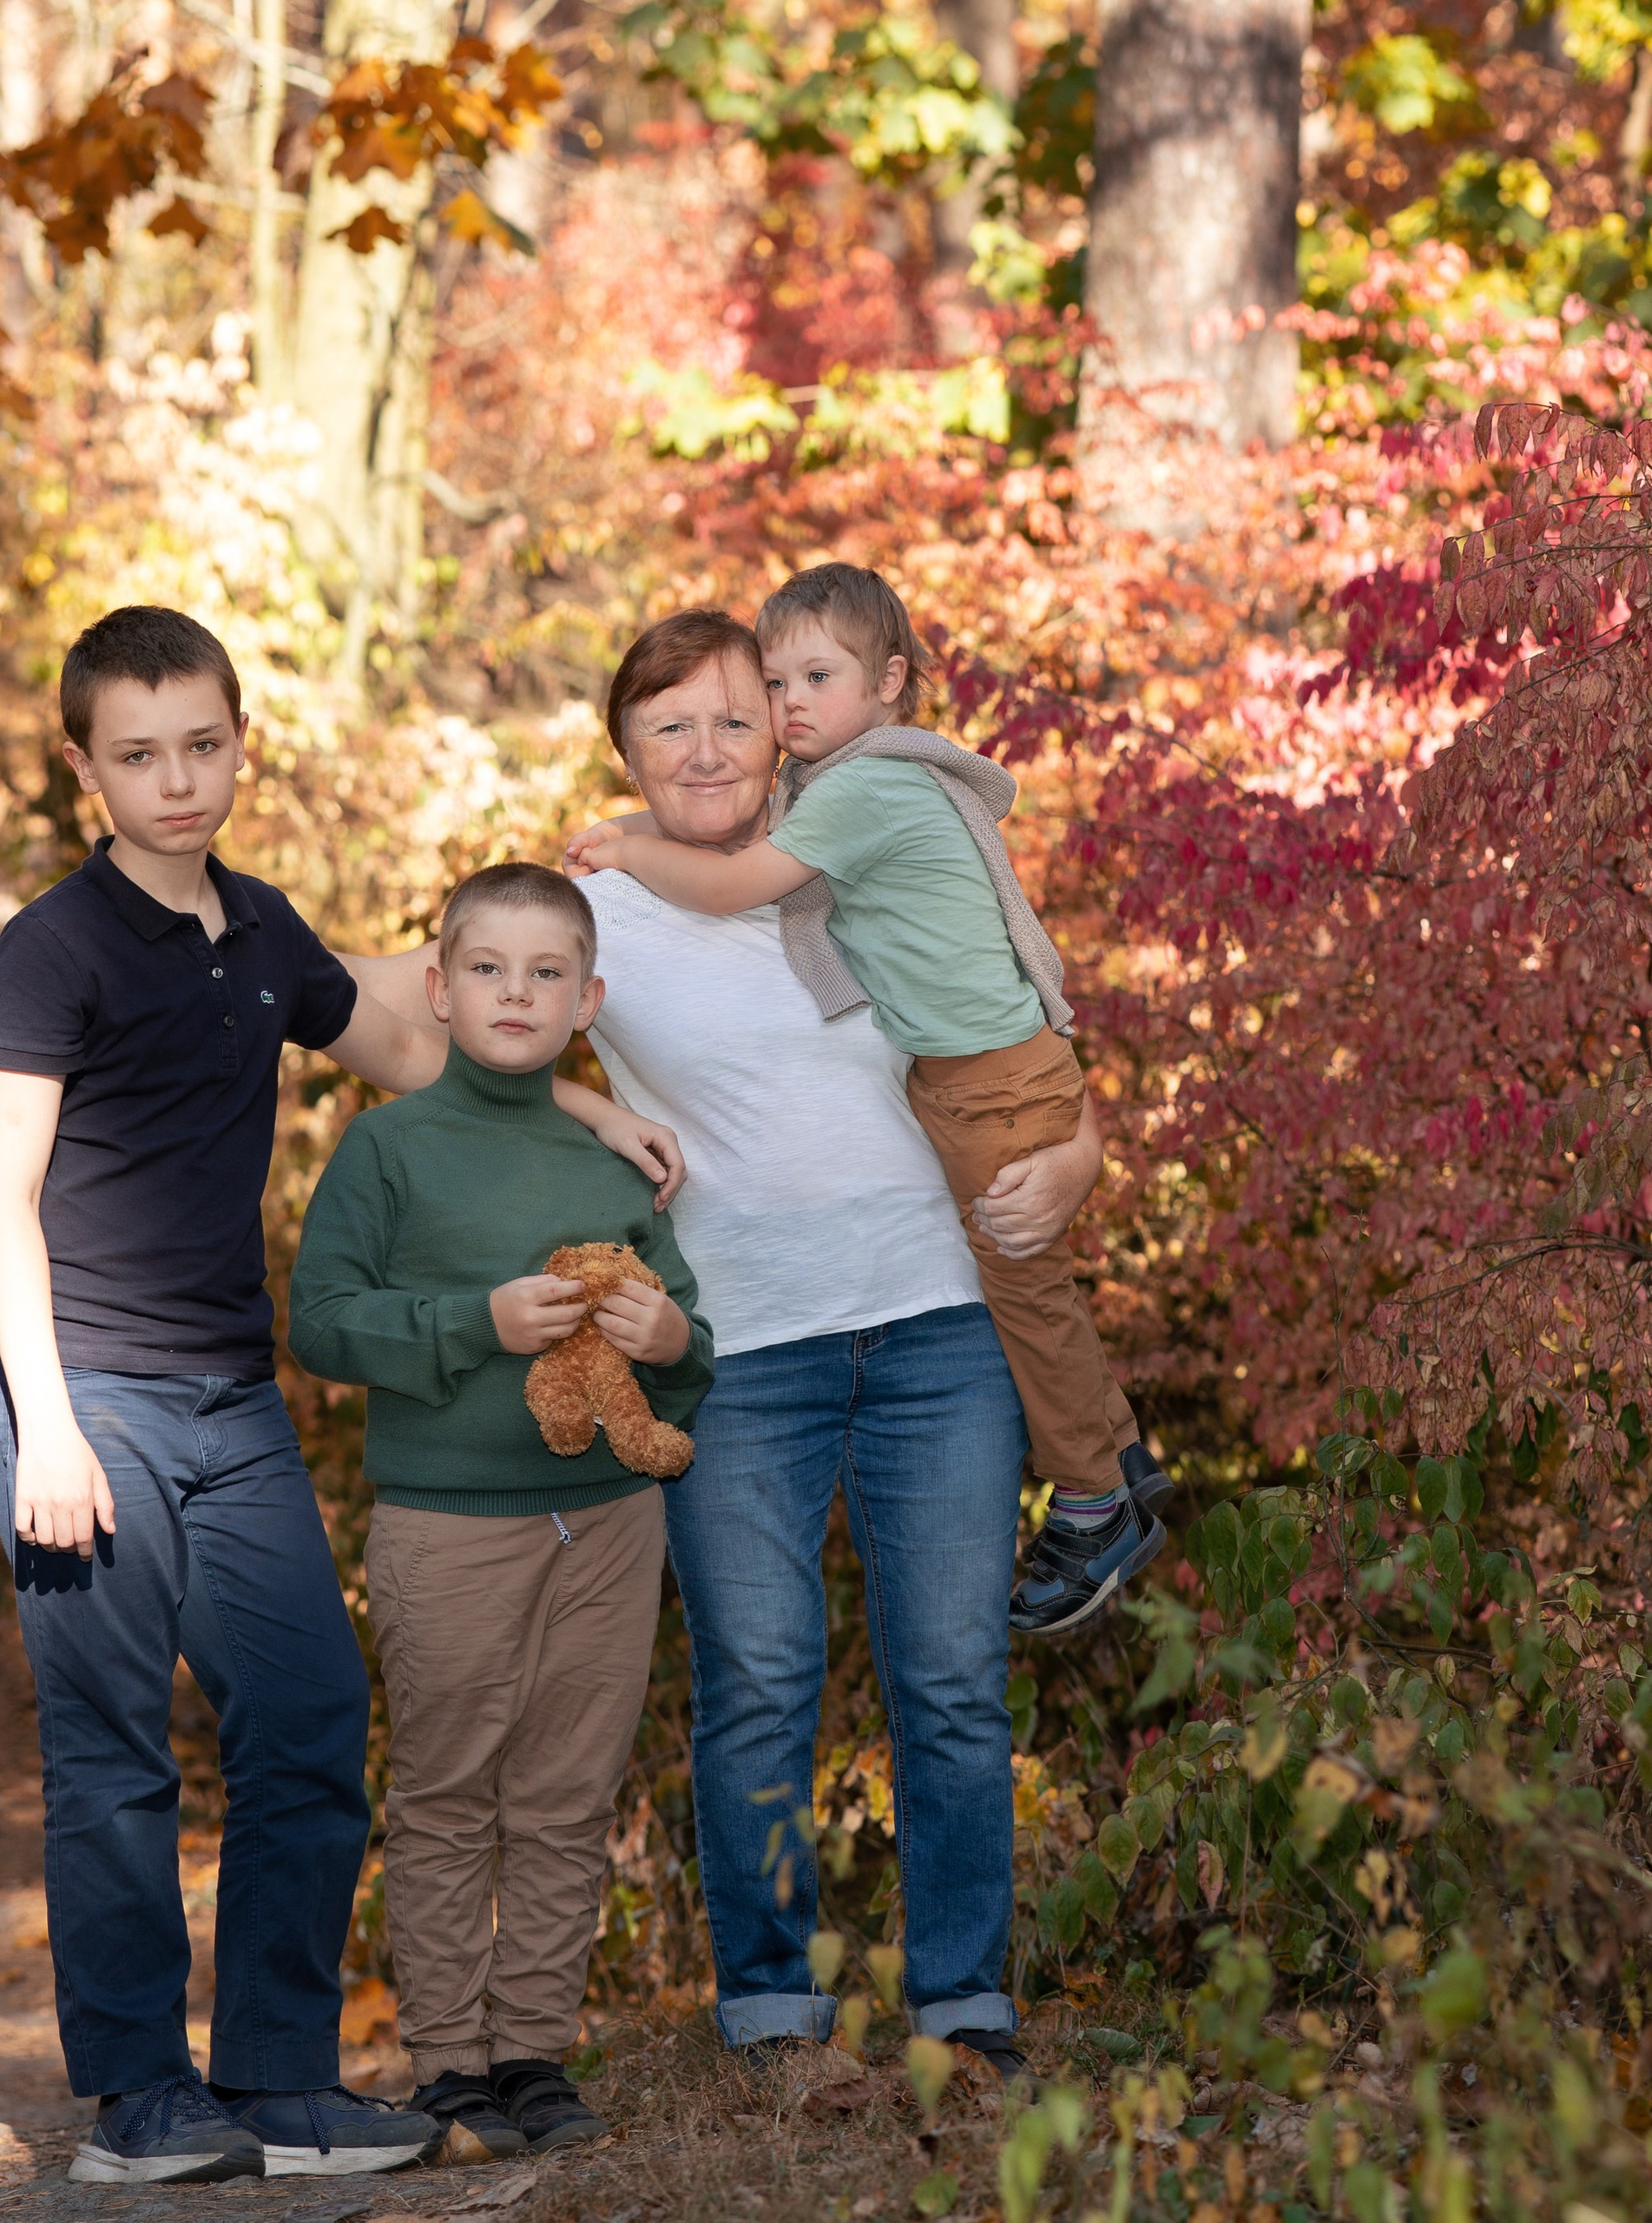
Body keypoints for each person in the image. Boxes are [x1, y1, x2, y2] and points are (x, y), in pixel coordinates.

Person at [0, 608, 683, 2185]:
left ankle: (280, 2080)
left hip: (230, 1398)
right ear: (84, 765)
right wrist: (49, 1424)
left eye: (203, 746)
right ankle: (140, 2099)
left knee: (307, 1718)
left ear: (240, 741)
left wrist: (577, 1103)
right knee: (113, 1752)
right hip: (78, 1386)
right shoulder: (55, 946)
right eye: (139, 755)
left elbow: (430, 1052)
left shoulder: (261, 934)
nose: (178, 781)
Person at [352, 611, 1106, 2071]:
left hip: (943, 1328)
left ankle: (964, 1998)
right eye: (666, 727)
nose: (704, 750)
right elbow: (401, 1021)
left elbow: (1032, 1035)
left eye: (733, 718)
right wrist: (585, 1107)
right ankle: (771, 2004)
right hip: (737, 1351)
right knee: (760, 1677)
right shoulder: (600, 907)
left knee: (948, 1677)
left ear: (783, 728)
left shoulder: (871, 850)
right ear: (624, 752)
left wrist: (1076, 1160)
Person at [566, 564, 1168, 1637]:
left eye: (807, 683)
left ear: (889, 683)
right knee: (1037, 1285)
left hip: (970, 1156)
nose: (791, 706)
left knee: (1025, 1293)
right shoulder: (829, 801)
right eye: (779, 682)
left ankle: (1095, 1496)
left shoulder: (856, 796)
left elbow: (730, 879)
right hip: (785, 1292)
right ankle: (1117, 1455)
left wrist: (624, 843)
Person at [288, 861, 714, 2163]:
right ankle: (449, 2063)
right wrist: (472, 1323)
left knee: (567, 1791)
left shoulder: (608, 1155)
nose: (515, 994)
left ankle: (533, 2050)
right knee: (447, 1789)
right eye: (488, 970)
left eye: (545, 975)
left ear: (586, 1000)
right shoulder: (390, 1147)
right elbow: (318, 1324)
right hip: (448, 1522)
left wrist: (666, 1332)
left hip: (608, 1521)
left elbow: (687, 1349)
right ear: (439, 988)